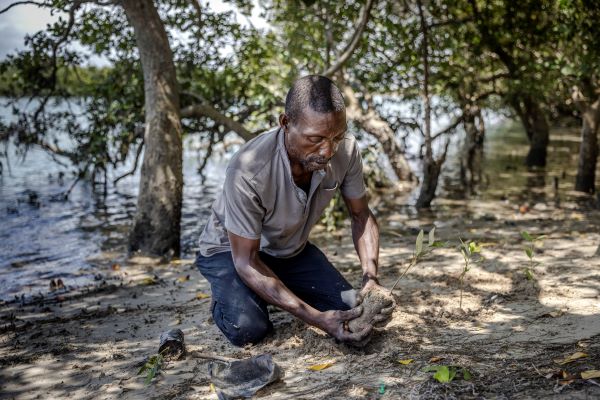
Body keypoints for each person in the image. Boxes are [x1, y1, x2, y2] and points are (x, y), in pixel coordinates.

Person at [196, 75, 393, 347]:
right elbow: (246, 260)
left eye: (337, 136)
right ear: (285, 123)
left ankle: (272, 291)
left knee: (352, 310)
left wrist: (371, 278)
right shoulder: (248, 168)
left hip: (288, 250)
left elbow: (361, 215)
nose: (327, 150)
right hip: (231, 252)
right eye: (315, 138)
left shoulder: (346, 151)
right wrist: (317, 319)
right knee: (249, 328)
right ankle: (232, 296)